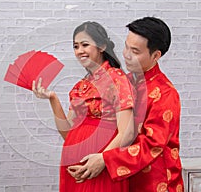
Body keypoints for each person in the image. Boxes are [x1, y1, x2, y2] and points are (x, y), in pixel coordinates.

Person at [68, 17, 184, 192]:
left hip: (155, 180)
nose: (127, 55)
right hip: (123, 178)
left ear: (156, 55)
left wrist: (105, 159)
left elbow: (152, 145)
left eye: (135, 51)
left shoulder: (166, 94)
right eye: (126, 47)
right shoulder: (125, 81)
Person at [32, 21, 136, 192]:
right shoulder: (80, 86)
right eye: (76, 46)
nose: (80, 51)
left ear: (102, 46)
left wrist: (102, 158)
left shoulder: (116, 78)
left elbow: (127, 132)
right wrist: (53, 99)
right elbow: (68, 133)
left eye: (85, 45)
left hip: (100, 162)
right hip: (74, 162)